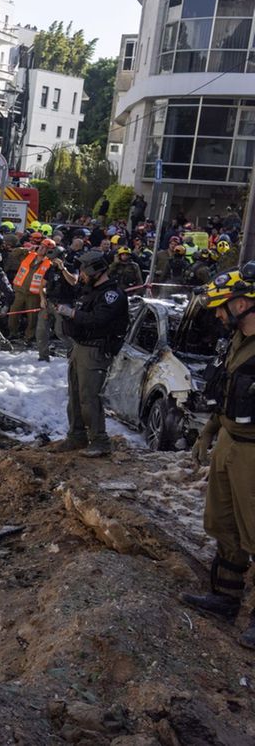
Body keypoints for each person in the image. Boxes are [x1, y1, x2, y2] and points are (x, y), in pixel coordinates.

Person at [180, 262, 255, 649]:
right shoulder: (237, 342)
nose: (217, 314)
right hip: (230, 442)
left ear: (243, 303)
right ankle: (225, 597)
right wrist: (208, 433)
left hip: (253, 453)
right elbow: (225, 391)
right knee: (223, 524)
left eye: (222, 306)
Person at [50, 251, 130, 457]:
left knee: (89, 397)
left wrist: (72, 313)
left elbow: (98, 319)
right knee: (75, 395)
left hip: (95, 349)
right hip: (80, 346)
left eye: (84, 271)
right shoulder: (91, 290)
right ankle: (77, 435)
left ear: (95, 270)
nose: (82, 275)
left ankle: (100, 441)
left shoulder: (112, 295)